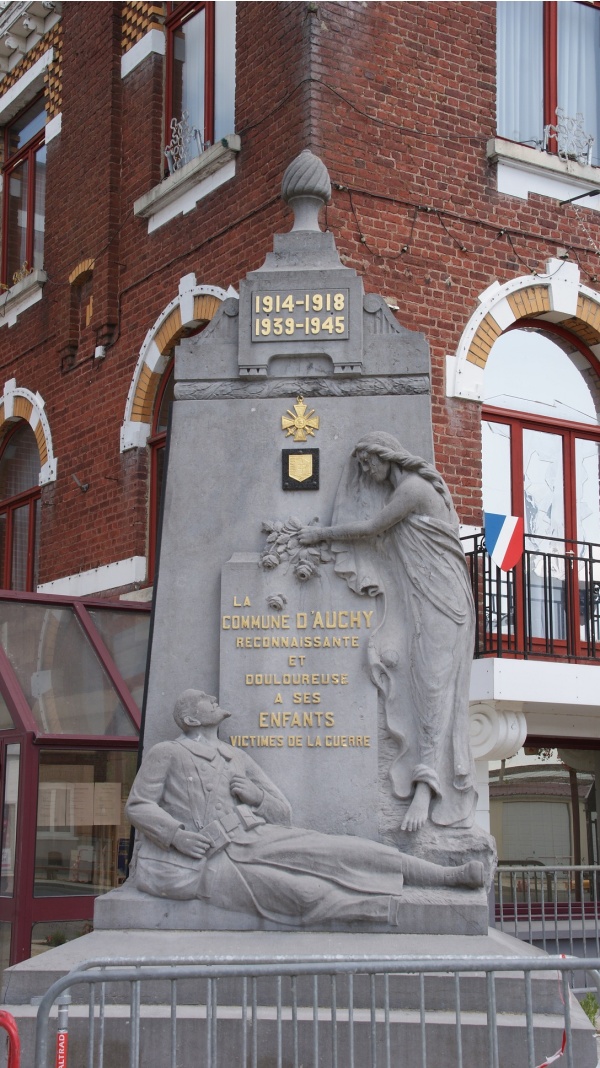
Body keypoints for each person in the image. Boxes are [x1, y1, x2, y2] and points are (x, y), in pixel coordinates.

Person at [126, 690, 483, 927]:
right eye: (204, 700)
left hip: (258, 836)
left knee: (348, 851)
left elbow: (283, 812)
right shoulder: (168, 753)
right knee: (302, 896)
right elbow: (139, 804)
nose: (212, 699)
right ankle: (389, 909)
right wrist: (177, 837)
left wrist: (256, 797)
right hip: (212, 859)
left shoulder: (236, 756)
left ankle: (446, 878)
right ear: (190, 719)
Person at [298, 432, 477, 833]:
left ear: (385, 457)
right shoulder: (407, 488)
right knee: (418, 684)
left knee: (433, 687)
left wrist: (320, 534)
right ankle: (424, 777)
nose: (366, 472)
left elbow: (373, 527)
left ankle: (427, 788)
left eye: (368, 464)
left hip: (443, 599)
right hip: (423, 597)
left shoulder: (412, 489)